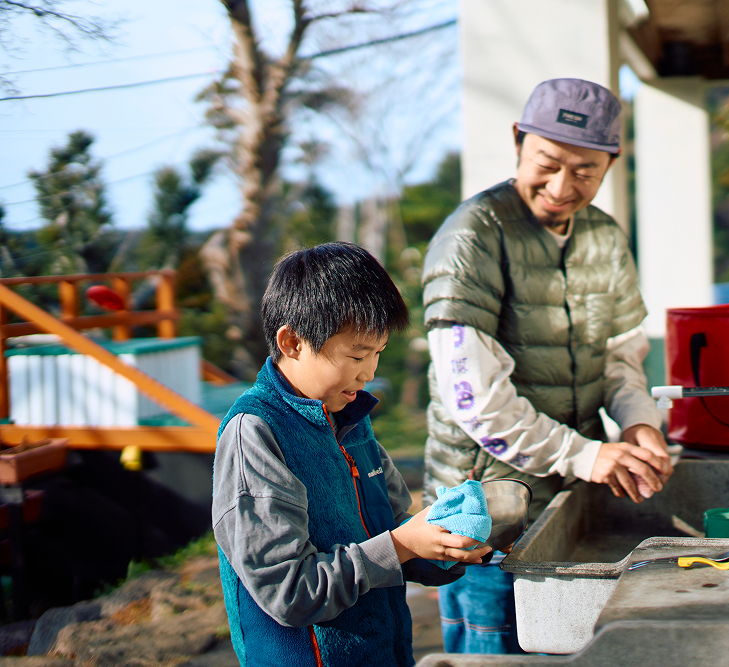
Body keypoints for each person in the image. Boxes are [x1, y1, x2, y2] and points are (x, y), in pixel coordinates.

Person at [421, 78, 674, 654]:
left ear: (612, 162)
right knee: (495, 656)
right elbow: (475, 401)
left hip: (566, 500)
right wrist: (588, 453)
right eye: (548, 163)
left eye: (585, 171)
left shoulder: (604, 238)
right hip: (485, 515)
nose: (562, 187)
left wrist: (639, 424)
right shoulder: (472, 238)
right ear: (518, 141)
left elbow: (617, 355)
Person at [213, 242, 491, 667]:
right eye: (357, 355)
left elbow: (392, 530)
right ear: (292, 342)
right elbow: (289, 591)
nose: (369, 373)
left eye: (378, 354)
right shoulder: (256, 432)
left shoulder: (350, 416)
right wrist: (401, 545)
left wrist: (445, 547)